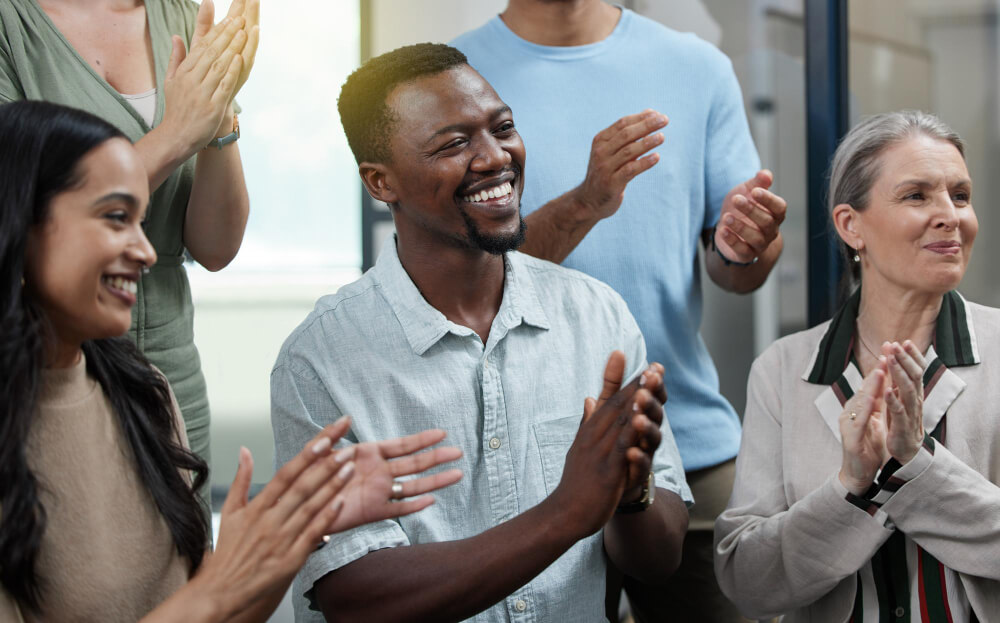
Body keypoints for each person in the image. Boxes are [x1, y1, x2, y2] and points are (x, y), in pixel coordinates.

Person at [270, 43, 692, 622]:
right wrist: (568, 511)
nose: (496, 157)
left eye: (504, 128)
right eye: (454, 143)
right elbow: (356, 596)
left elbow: (660, 558)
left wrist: (629, 494)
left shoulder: (597, 317)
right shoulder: (321, 359)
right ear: (380, 182)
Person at [0, 100, 463, 622]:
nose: (147, 252)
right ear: (18, 223)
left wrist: (285, 543)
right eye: (114, 218)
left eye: (142, 221)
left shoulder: (140, 392)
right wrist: (224, 581)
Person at [451, 2, 788, 619]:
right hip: (518, 460)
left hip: (683, 442)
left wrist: (745, 248)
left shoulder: (697, 68)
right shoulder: (453, 78)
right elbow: (460, 273)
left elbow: (735, 268)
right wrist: (586, 201)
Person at [714, 111, 1000, 621]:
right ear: (851, 226)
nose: (950, 215)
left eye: (960, 195)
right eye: (917, 195)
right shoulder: (781, 370)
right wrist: (850, 486)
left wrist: (917, 469)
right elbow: (746, 578)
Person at [0, 0, 261, 475]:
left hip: (171, 377)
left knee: (183, 544)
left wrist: (218, 116)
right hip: (46, 369)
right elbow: (19, 215)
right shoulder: (11, 25)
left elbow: (215, 248)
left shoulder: (178, 13)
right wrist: (180, 131)